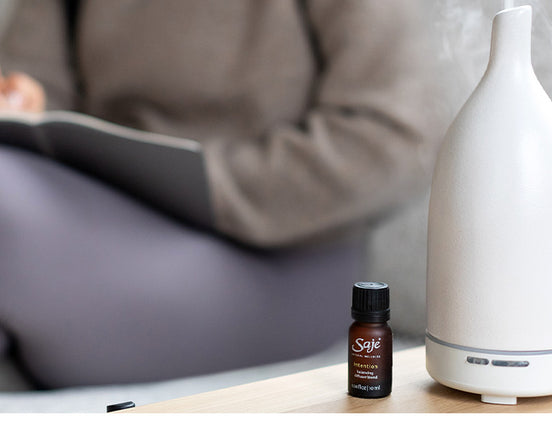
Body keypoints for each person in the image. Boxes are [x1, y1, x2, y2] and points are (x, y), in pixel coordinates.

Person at [0, 0, 435, 388]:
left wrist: (196, 185)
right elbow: (36, 92)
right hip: (107, 220)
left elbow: (389, 142)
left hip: (279, 259)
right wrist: (22, 106)